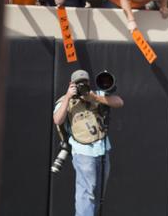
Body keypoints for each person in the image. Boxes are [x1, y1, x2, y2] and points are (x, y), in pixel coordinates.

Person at [53, 69, 124, 216]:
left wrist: (94, 97)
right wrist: (68, 96)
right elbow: (57, 119)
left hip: (102, 149)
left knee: (98, 193)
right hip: (83, 152)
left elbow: (119, 102)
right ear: (71, 84)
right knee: (86, 192)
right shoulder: (65, 100)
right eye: (78, 83)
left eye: (84, 82)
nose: (82, 85)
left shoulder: (95, 94)